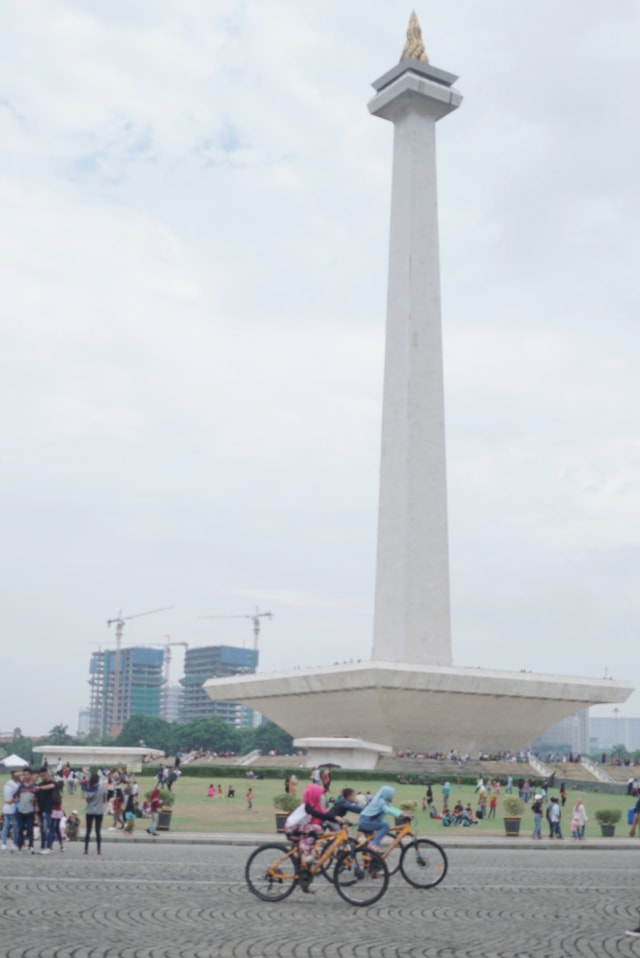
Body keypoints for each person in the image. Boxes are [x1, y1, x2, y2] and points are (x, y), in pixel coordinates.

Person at [358, 786, 408, 853]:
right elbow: (388, 810)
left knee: (376, 845)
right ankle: (373, 844)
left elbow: (391, 808)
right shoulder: (381, 802)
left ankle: (372, 858)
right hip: (366, 821)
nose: (393, 797)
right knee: (385, 826)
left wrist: (402, 812)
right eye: (391, 795)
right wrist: (402, 814)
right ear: (386, 795)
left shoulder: (383, 802)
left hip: (366, 821)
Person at [82, 771, 108, 855]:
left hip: (89, 811)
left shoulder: (88, 788)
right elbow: (105, 797)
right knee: (98, 831)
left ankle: (86, 849)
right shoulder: (102, 787)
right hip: (99, 811)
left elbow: (86, 799)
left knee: (88, 831)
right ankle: (99, 850)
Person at [14, 769, 37, 853]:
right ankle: (20, 845)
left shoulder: (34, 786)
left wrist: (35, 799)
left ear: (31, 775)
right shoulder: (21, 786)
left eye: (27, 775)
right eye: (24, 775)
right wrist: (16, 799)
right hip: (21, 810)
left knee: (30, 829)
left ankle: (31, 845)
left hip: (30, 811)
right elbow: (16, 795)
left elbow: (38, 797)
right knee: (20, 829)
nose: (26, 776)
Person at [35, 767, 56, 854]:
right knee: (42, 829)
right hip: (40, 809)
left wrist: (40, 788)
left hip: (48, 809)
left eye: (44, 775)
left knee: (47, 828)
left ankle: (49, 846)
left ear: (47, 774)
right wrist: (35, 805)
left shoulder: (52, 783)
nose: (43, 776)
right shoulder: (39, 785)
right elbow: (36, 797)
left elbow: (52, 786)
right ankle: (43, 846)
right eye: (42, 775)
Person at [2, 769, 21, 850]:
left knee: (5, 826)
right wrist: (14, 800)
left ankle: (4, 843)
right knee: (15, 826)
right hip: (13, 808)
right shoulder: (15, 786)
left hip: (6, 807)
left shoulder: (6, 784)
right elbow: (16, 798)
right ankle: (14, 843)